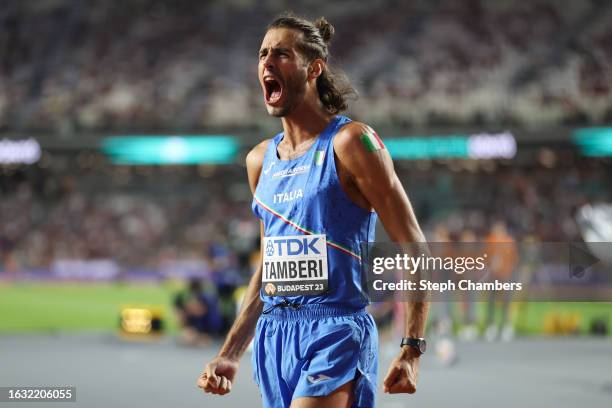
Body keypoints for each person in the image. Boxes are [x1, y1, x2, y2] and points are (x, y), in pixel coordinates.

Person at [197, 14, 429, 408]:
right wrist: (231, 352)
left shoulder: (352, 142)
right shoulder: (259, 161)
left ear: (314, 68)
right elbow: (269, 266)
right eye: (262, 54)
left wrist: (411, 348)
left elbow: (414, 244)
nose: (267, 62)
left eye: (281, 54)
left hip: (335, 330)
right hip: (274, 336)